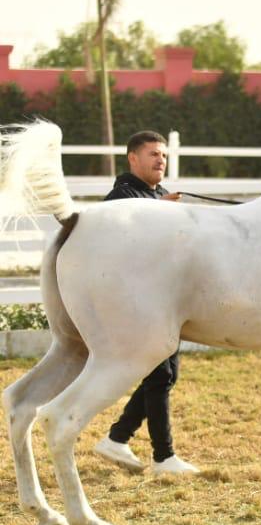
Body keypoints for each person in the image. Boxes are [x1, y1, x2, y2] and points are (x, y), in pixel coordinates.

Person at [93, 130, 199, 476]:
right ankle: (163, 457)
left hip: (163, 300)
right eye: (153, 154)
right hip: (137, 301)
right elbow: (115, 236)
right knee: (160, 374)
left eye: (164, 155)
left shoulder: (157, 195)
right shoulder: (122, 195)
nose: (160, 160)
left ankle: (118, 438)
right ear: (133, 158)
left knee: (166, 376)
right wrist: (158, 210)